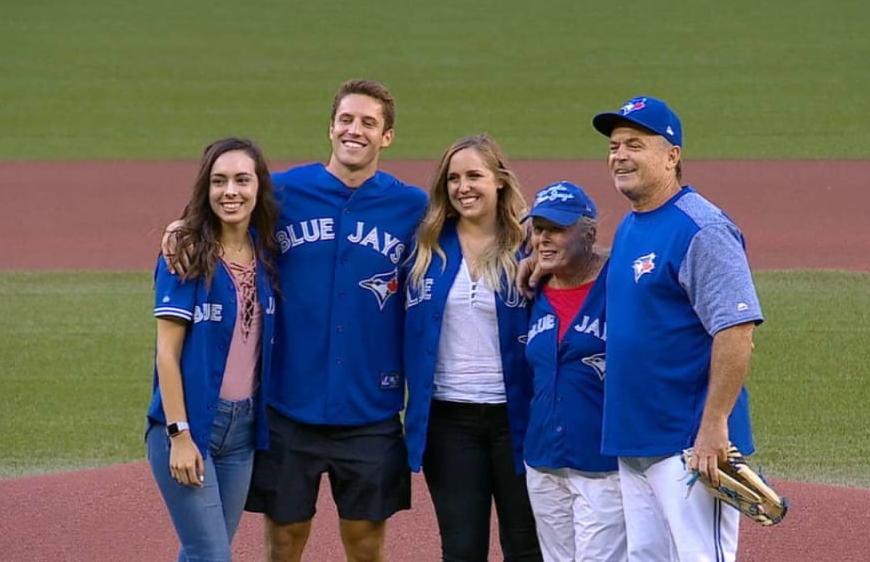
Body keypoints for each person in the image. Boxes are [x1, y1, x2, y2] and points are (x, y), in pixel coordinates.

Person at [165, 80, 427, 562]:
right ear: (330, 126)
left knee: (367, 544)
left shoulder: (411, 206)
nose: (355, 130)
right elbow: (224, 205)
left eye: (369, 122)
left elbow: (473, 231)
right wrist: (181, 227)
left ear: (387, 137)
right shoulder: (282, 192)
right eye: (346, 119)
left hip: (370, 407)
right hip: (288, 405)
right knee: (284, 541)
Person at [591, 95, 765, 561]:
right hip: (635, 439)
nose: (619, 155)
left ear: (672, 155)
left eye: (635, 144)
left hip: (689, 444)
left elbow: (737, 330)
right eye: (614, 146)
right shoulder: (631, 227)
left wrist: (714, 427)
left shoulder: (702, 229)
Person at [403, 134, 542, 561]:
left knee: (525, 546)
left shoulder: (532, 243)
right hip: (449, 422)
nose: (463, 187)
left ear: (499, 180)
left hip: (518, 418)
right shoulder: (424, 247)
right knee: (462, 550)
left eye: (475, 176)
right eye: (453, 178)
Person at [146, 137, 279, 561]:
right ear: (206, 189)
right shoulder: (186, 253)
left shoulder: (269, 250)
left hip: (242, 434)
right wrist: (180, 436)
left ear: (259, 188)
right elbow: (166, 354)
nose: (231, 192)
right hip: (189, 425)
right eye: (219, 181)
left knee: (203, 551)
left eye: (242, 180)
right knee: (212, 554)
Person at [520, 181, 628, 562]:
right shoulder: (531, 292)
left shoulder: (620, 284)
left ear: (589, 234)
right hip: (544, 460)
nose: (544, 239)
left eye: (558, 230)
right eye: (539, 230)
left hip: (603, 466)